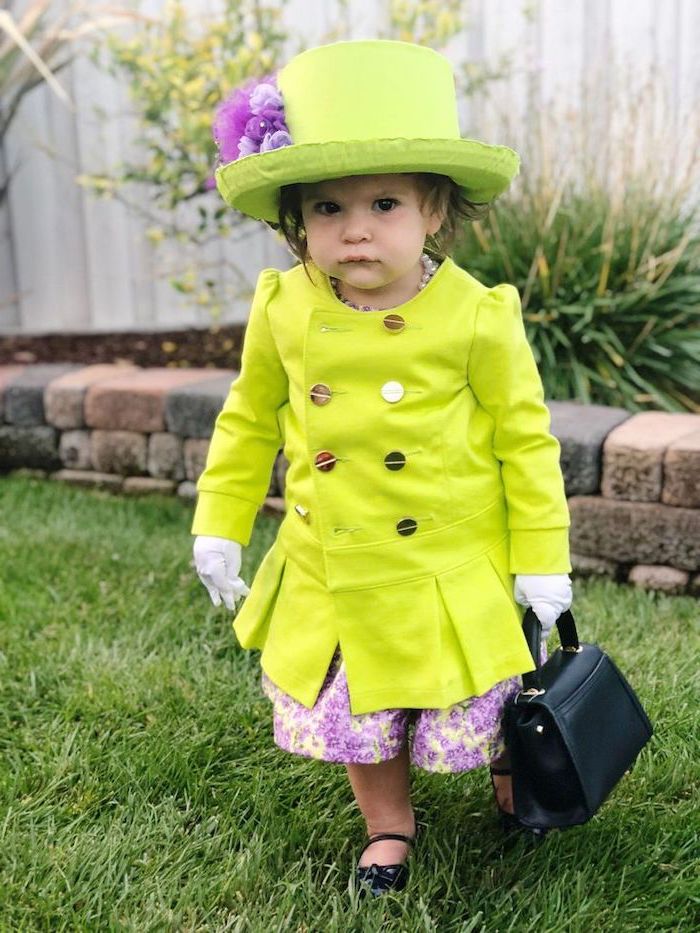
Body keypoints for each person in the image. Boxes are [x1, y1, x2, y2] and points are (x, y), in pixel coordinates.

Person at [192, 39, 572, 898]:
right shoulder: (284, 307)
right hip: (337, 562)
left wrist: (544, 553)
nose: (355, 227)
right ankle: (386, 825)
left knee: (483, 694)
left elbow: (527, 439)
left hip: (449, 561)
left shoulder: (478, 316)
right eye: (327, 207)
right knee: (364, 709)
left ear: (435, 211)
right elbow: (249, 421)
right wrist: (217, 523)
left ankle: (515, 778)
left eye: (385, 202)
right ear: (297, 222)